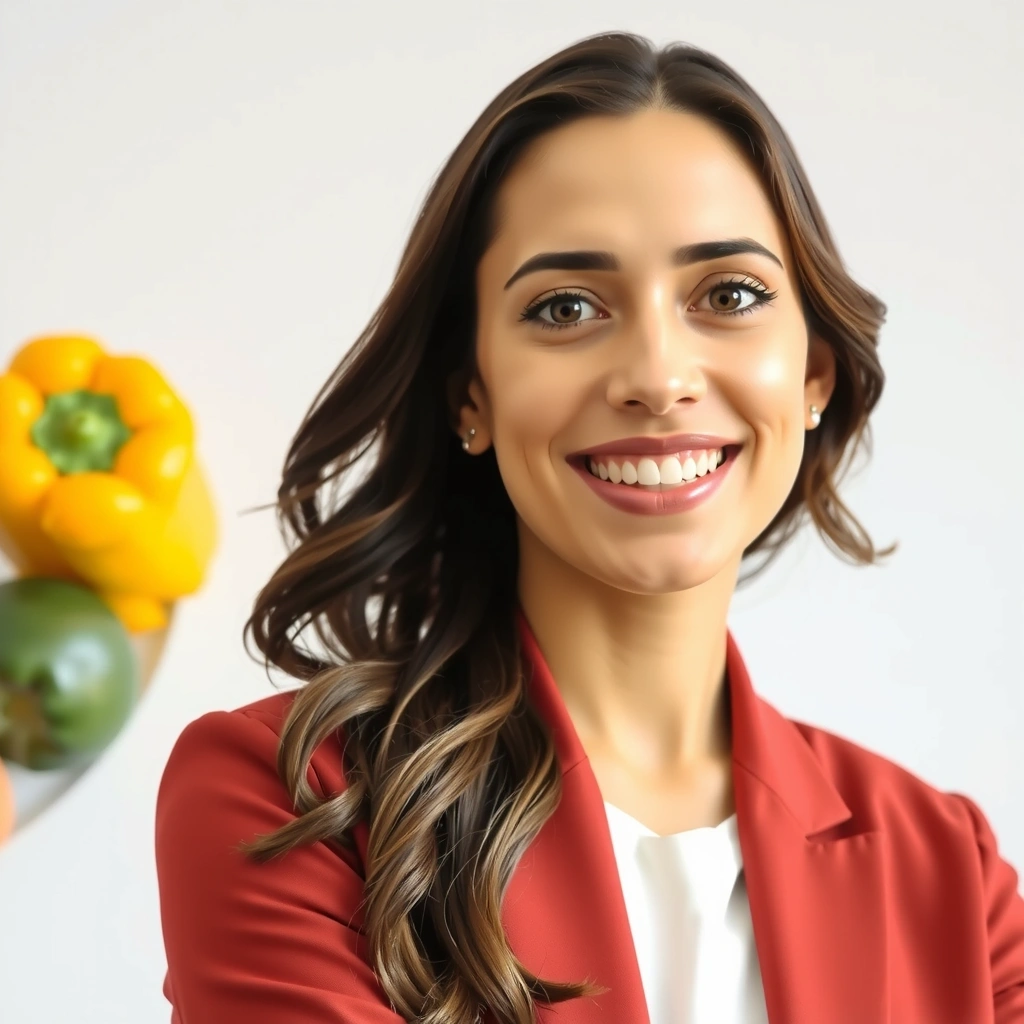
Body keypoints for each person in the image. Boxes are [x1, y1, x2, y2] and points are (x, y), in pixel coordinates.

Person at [154, 30, 1024, 1024]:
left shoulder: (952, 875)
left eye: (729, 295)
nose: (657, 376)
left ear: (813, 375)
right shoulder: (294, 800)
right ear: (472, 396)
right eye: (566, 307)